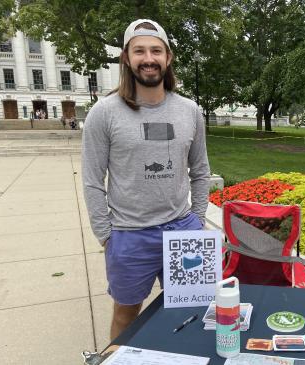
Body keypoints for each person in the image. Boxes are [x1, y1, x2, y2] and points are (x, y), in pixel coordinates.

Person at [81, 19, 210, 340]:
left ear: (168, 57)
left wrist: (199, 219)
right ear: (126, 58)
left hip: (183, 231)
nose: (148, 58)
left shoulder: (190, 111)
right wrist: (105, 235)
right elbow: (92, 178)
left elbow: (201, 169)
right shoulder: (105, 112)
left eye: (156, 50)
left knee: (192, 313)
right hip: (128, 236)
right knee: (126, 317)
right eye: (139, 51)